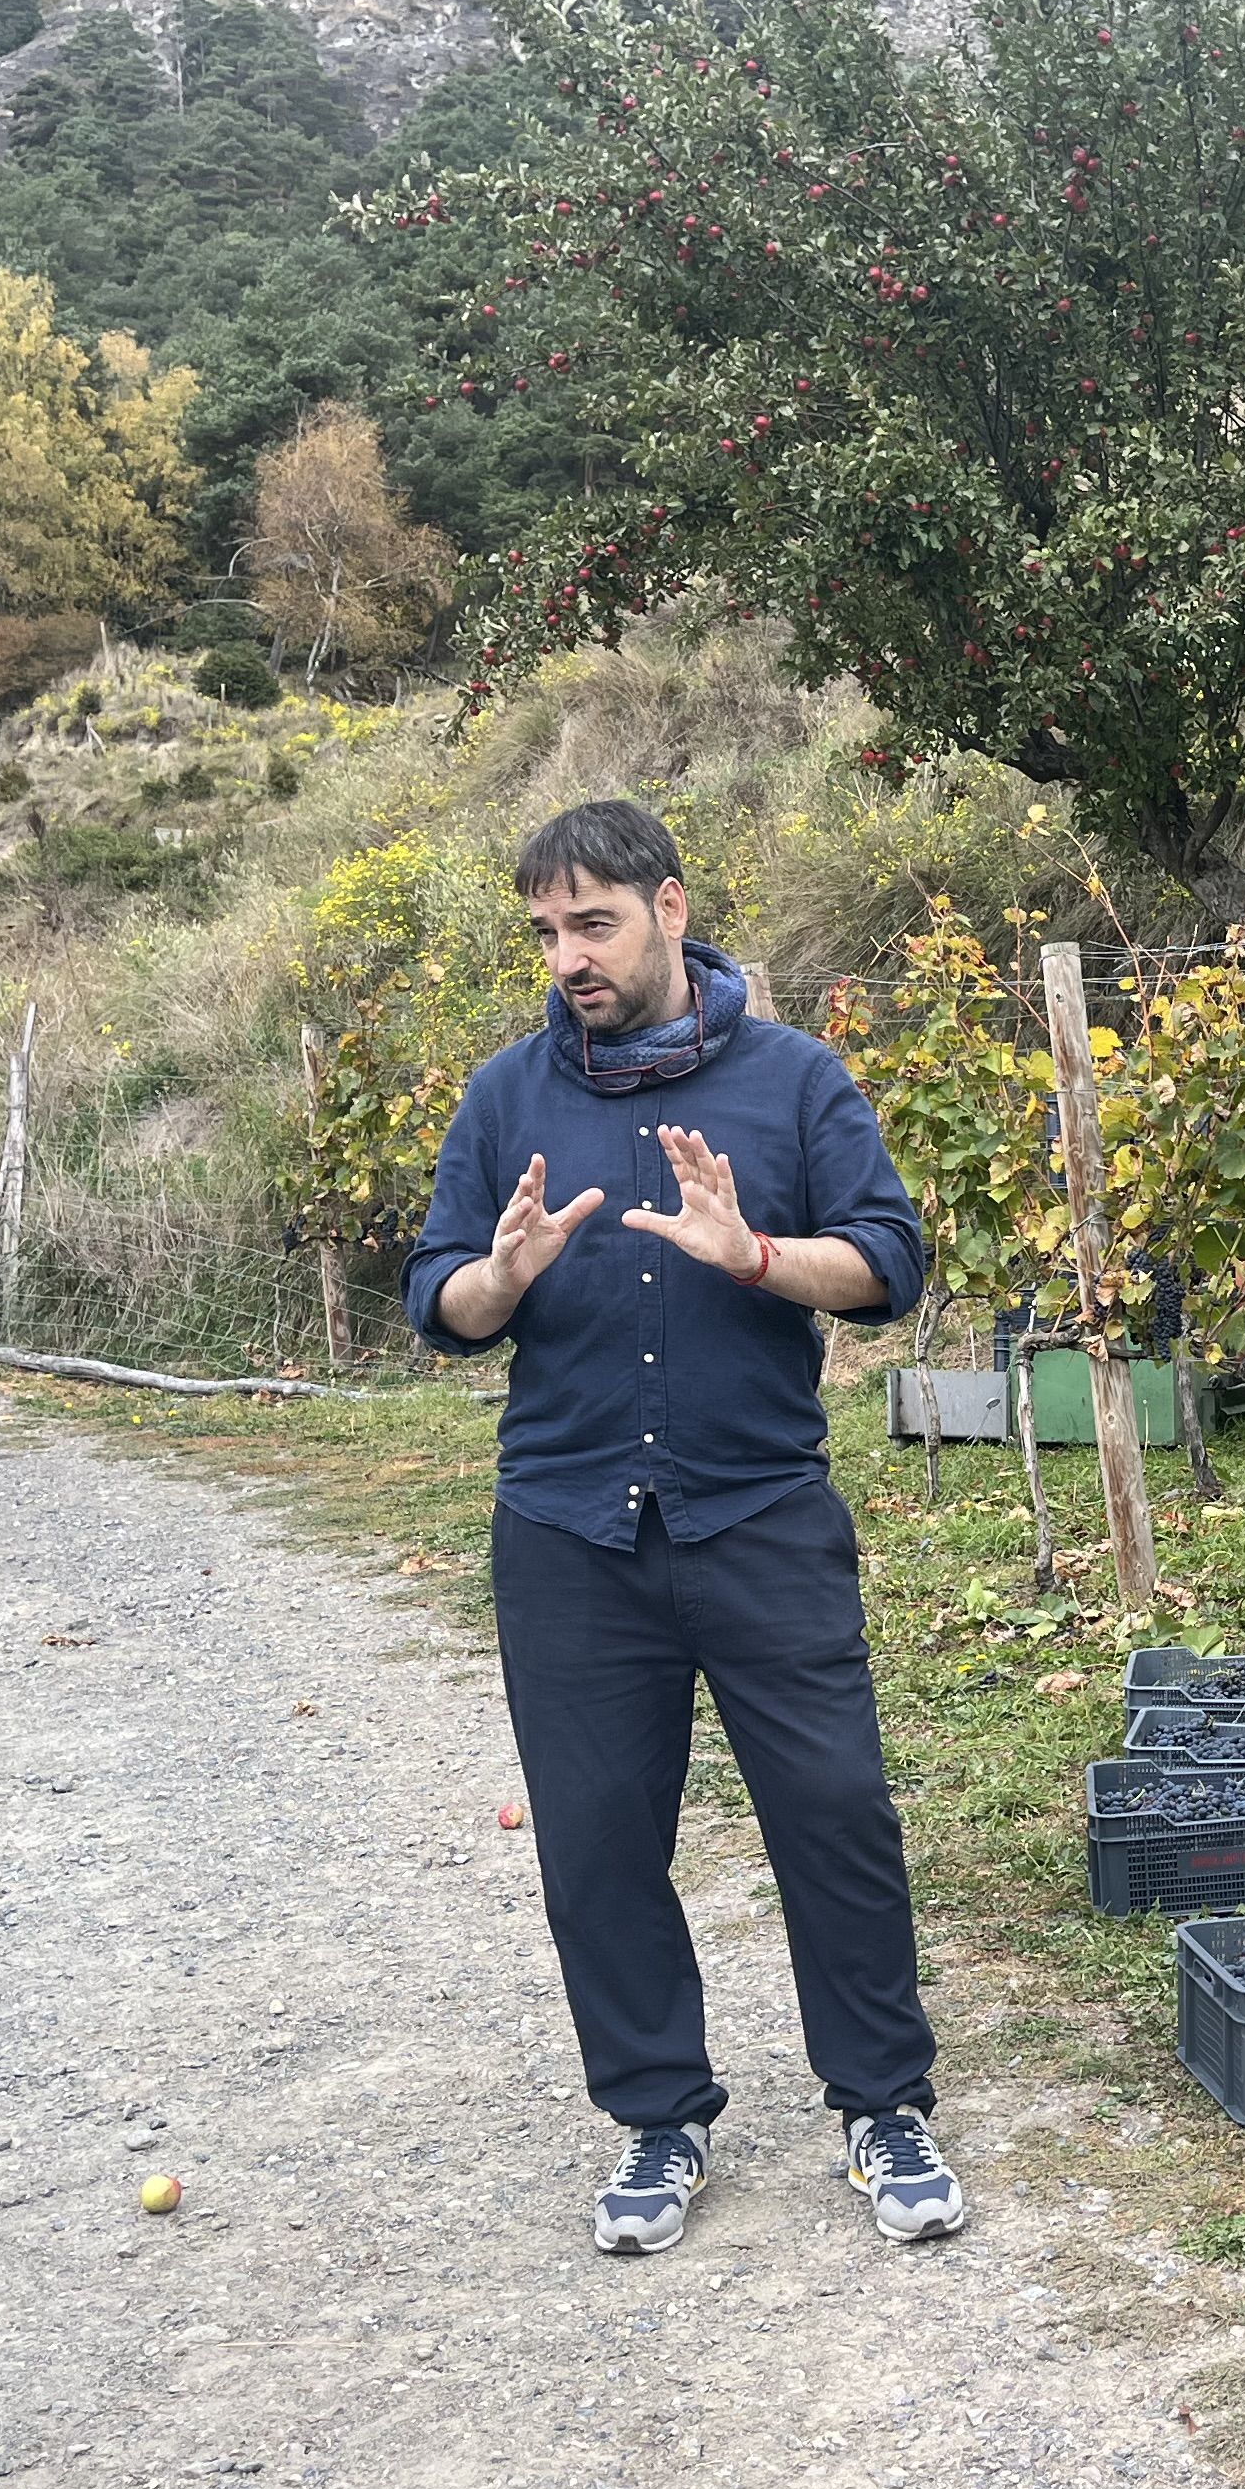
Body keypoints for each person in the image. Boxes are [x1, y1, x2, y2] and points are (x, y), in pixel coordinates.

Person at [406, 797, 961, 2254]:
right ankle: (660, 2120)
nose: (568, 956)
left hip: (761, 1515)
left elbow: (890, 1264)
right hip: (568, 1533)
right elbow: (441, 1302)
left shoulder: (792, 1084)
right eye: (545, 932)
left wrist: (761, 1254)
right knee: (596, 1844)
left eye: (592, 922)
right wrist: (499, 1282)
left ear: (669, 905)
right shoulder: (504, 1099)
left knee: (834, 1815)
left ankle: (882, 2106)